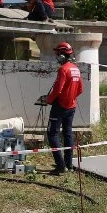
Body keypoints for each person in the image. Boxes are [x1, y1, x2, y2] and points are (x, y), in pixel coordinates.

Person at [45, 41, 83, 175]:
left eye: (57, 54)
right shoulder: (75, 69)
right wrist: (70, 97)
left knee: (52, 133)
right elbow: (80, 90)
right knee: (68, 134)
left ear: (62, 56)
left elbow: (57, 90)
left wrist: (48, 100)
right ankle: (69, 164)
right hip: (71, 106)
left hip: (59, 106)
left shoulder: (63, 69)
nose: (56, 57)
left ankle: (60, 166)